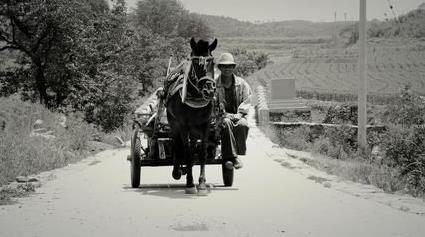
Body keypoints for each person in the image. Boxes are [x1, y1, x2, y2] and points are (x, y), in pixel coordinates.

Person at [216, 52, 251, 169]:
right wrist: (223, 114)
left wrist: (240, 114)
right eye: (224, 66)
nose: (227, 69)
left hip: (238, 115)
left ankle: (236, 153)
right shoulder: (214, 84)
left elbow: (247, 100)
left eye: (229, 66)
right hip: (221, 116)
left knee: (243, 125)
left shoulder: (242, 84)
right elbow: (212, 103)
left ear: (233, 67)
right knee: (225, 123)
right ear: (220, 68)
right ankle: (233, 157)